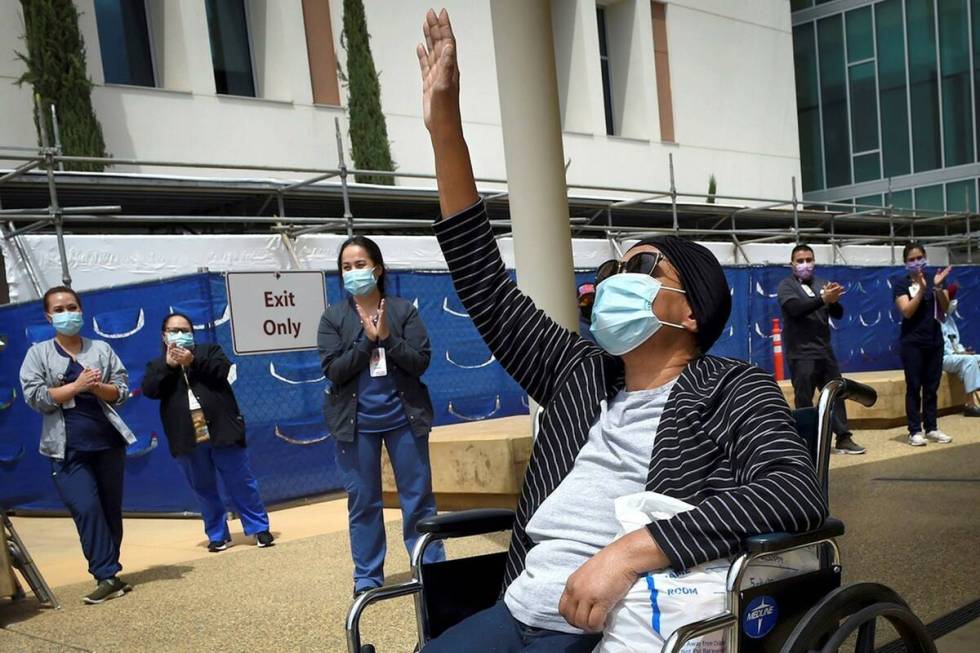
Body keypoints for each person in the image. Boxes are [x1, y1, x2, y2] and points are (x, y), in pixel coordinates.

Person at [416, 11, 826, 651]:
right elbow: (483, 281)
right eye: (611, 269)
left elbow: (792, 492)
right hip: (520, 606)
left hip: (614, 623)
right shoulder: (580, 373)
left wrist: (632, 552)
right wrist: (446, 127)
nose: (613, 282)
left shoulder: (730, 388)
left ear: (690, 312)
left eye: (639, 267)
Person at [317, 236, 445, 598]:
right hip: (355, 426)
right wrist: (366, 341)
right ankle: (368, 578)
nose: (353, 273)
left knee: (418, 499)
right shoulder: (333, 317)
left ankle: (431, 569)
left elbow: (420, 361)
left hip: (405, 419)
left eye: (360, 265)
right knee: (364, 502)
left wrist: (387, 337)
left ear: (378, 269)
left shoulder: (404, 312)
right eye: (346, 267)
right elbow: (334, 370)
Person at [19, 286, 135, 604]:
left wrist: (98, 387)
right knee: (86, 508)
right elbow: (36, 397)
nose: (66, 313)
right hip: (67, 449)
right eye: (59, 309)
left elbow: (122, 391)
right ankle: (105, 572)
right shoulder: (38, 354)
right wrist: (75, 386)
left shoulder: (101, 349)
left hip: (108, 443)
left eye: (71, 307)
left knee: (110, 510)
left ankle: (110, 574)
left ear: (81, 311)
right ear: (48, 316)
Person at [143, 312, 274, 552]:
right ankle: (217, 534)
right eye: (174, 331)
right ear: (164, 336)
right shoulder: (156, 366)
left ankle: (258, 528)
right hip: (188, 435)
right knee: (203, 486)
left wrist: (192, 361)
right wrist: (170, 367)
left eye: (185, 330)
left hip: (222, 428)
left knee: (241, 481)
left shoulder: (209, 351)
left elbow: (221, 371)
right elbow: (151, 390)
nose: (180, 335)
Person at [777, 244, 864, 454]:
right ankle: (807, 443)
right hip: (801, 353)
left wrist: (833, 301)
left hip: (825, 352)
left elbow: (838, 313)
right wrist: (822, 299)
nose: (805, 264)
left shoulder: (823, 284)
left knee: (836, 393)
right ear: (792, 264)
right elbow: (795, 310)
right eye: (800, 261)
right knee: (804, 399)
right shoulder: (786, 286)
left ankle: (843, 437)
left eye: (809, 259)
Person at [893, 242, 953, 446]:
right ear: (905, 263)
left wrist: (936, 287)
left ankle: (932, 427)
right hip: (912, 343)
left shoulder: (935, 279)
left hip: (935, 340)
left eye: (919, 257)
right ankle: (914, 430)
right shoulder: (901, 284)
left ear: (925, 258)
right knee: (914, 386)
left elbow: (945, 309)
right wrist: (920, 291)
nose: (916, 262)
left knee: (932, 386)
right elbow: (907, 311)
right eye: (911, 259)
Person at [940, 285, 980, 417]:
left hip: (955, 356)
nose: (953, 302)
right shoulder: (935, 320)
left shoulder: (949, 319)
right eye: (950, 299)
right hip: (941, 358)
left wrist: (963, 350)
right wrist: (960, 353)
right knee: (969, 361)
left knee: (975, 358)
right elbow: (943, 349)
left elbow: (955, 343)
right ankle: (970, 404)